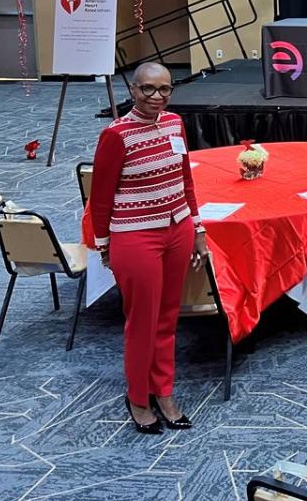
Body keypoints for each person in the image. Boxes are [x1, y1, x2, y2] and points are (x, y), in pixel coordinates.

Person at [89, 62, 208, 433]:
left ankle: (164, 391)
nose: (156, 97)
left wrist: (198, 228)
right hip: (135, 236)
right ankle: (138, 397)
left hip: (178, 230)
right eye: (148, 89)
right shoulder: (116, 135)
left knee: (169, 318)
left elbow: (186, 180)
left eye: (164, 89)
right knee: (142, 321)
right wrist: (104, 246)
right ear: (133, 90)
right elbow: (101, 198)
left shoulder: (175, 124)